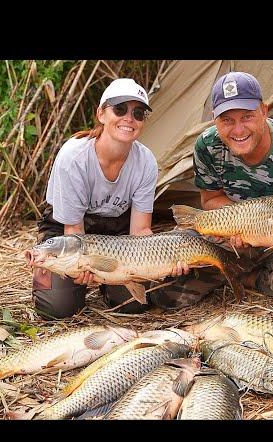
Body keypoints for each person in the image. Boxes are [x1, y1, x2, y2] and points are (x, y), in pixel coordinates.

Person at [150, 71, 273, 312]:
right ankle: (236, 267)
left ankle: (247, 277)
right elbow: (209, 199)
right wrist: (239, 224)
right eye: (227, 120)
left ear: (264, 110)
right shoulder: (207, 146)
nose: (238, 130)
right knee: (164, 293)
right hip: (232, 237)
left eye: (247, 117)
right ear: (214, 119)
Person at [31, 78, 188, 319]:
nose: (129, 118)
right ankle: (76, 287)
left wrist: (168, 260)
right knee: (56, 309)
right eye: (120, 109)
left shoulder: (146, 162)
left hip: (119, 235)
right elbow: (73, 230)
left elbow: (141, 231)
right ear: (101, 114)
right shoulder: (73, 156)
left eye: (138, 113)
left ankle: (109, 287)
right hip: (70, 233)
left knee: (133, 306)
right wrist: (82, 267)